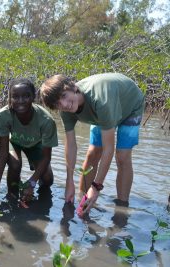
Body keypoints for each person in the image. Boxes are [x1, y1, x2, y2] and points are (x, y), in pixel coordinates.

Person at [39, 73, 144, 215]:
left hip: (130, 107)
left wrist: (96, 186)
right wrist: (69, 182)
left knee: (122, 156)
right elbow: (71, 146)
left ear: (73, 87)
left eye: (64, 96)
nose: (64, 105)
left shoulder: (100, 100)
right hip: (101, 113)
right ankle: (83, 201)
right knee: (93, 152)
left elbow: (109, 149)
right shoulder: (66, 111)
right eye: (58, 104)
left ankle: (122, 209)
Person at [0, 78, 58, 202]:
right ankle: (12, 195)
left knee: (47, 179)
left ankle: (37, 196)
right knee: (15, 164)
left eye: (26, 96)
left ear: (33, 97)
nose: (20, 101)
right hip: (14, 142)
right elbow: (3, 152)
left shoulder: (46, 120)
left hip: (36, 144)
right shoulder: (4, 115)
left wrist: (32, 182)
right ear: (9, 99)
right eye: (15, 97)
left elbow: (47, 157)